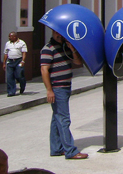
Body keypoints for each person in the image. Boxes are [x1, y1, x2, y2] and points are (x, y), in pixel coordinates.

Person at [40, 30, 88, 160]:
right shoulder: (48, 49)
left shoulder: (64, 47)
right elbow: (44, 70)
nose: (59, 35)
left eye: (60, 33)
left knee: (57, 118)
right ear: (52, 32)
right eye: (56, 33)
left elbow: (78, 63)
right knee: (64, 119)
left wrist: (72, 49)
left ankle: (56, 148)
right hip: (57, 88)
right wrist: (49, 90)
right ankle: (70, 150)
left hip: (66, 86)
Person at [3, 32, 27, 97]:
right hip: (10, 61)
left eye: (10, 36)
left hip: (18, 61)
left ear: (15, 37)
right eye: (9, 37)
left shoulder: (22, 43)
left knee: (19, 75)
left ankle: (22, 85)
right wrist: (4, 63)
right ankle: (11, 91)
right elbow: (6, 53)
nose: (9, 38)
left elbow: (24, 52)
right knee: (9, 77)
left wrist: (23, 61)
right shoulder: (7, 43)